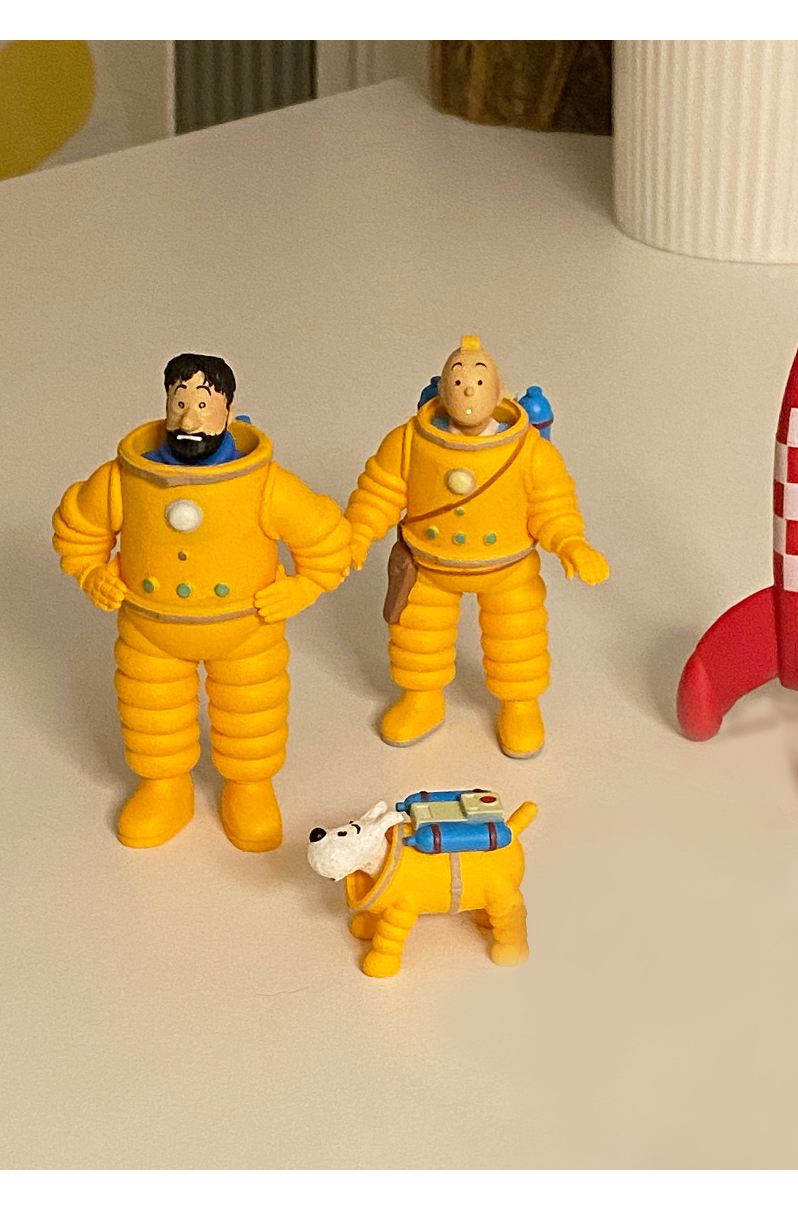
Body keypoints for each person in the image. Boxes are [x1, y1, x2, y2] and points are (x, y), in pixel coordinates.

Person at [53, 353, 351, 847]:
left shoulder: (263, 483)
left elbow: (327, 538)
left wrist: (302, 588)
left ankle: (249, 786)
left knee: (251, 711)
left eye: (204, 405)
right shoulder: (125, 479)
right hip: (151, 629)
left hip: (246, 629)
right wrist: (91, 573)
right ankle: (164, 786)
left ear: (228, 411)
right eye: (180, 403)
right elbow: (77, 527)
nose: (189, 420)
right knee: (152, 712)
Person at [346, 332, 608, 758]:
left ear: (499, 390)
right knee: (418, 637)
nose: (468, 389)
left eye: (479, 381)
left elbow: (552, 506)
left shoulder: (528, 451)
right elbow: (380, 492)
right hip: (429, 565)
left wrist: (572, 543)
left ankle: (519, 704)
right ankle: (422, 698)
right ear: (443, 389)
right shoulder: (410, 441)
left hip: (507, 568)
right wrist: (357, 534)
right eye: (459, 380)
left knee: (518, 640)